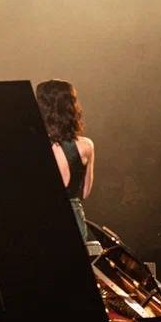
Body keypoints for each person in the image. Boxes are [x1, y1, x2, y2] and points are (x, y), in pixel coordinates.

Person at [35, 79, 95, 242]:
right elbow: (85, 192)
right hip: (73, 216)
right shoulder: (86, 146)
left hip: (41, 216)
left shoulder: (31, 144)